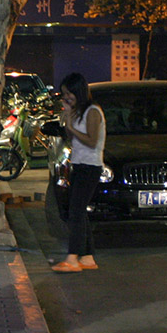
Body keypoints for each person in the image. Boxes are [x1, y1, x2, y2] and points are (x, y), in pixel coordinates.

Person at [51, 72, 106, 273]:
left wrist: (72, 127)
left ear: (78, 91)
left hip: (90, 167)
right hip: (79, 165)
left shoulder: (92, 111)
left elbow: (91, 140)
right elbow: (70, 137)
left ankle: (73, 258)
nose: (66, 97)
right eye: (64, 94)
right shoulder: (78, 111)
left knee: (75, 212)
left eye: (69, 94)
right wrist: (68, 116)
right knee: (79, 212)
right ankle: (88, 256)